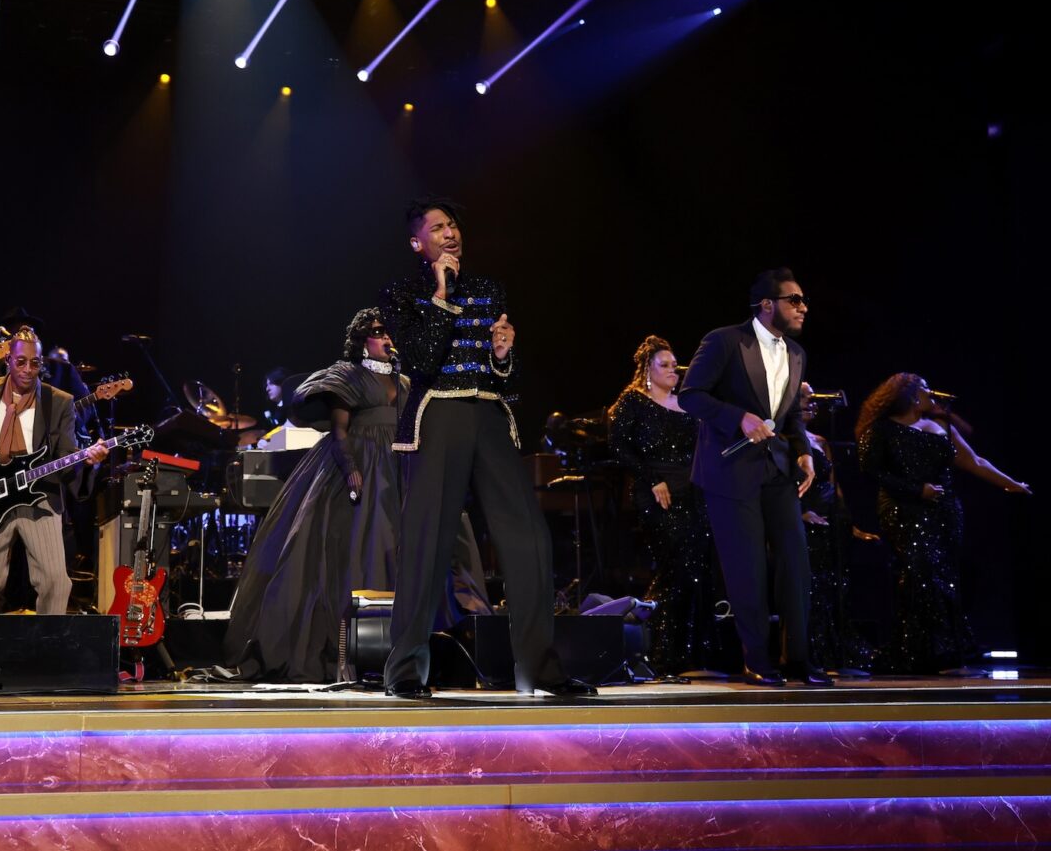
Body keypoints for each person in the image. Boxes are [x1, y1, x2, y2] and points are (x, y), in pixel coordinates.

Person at [378, 197, 584, 698]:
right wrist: (442, 293)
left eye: (453, 224)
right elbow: (424, 359)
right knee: (427, 542)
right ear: (417, 242)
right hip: (439, 416)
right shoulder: (403, 292)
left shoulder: (490, 289)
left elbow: (504, 385)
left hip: (490, 415)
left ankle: (539, 669)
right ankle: (405, 670)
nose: (450, 233)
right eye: (437, 227)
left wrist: (501, 356)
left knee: (529, 539)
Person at [224, 310, 408, 682]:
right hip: (353, 465)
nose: (385, 337)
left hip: (396, 471)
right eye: (376, 332)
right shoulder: (349, 375)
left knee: (396, 549)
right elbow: (340, 432)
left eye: (388, 331)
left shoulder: (405, 381)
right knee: (345, 552)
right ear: (361, 341)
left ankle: (396, 652)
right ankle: (339, 652)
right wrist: (352, 470)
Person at [680, 267, 825, 686]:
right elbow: (690, 395)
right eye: (793, 300)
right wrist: (737, 417)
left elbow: (791, 414)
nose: (803, 307)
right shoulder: (725, 340)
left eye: (803, 300)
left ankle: (799, 660)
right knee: (747, 569)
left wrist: (803, 453)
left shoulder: (796, 354)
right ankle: (759, 661)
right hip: (729, 468)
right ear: (767, 305)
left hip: (778, 468)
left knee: (796, 563)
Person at [856, 375, 1031, 674]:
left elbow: (975, 462)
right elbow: (871, 471)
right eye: (924, 388)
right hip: (903, 509)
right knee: (920, 573)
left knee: (945, 577)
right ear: (911, 395)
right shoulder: (881, 430)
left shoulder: (941, 427)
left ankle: (947, 650)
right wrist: (916, 489)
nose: (930, 392)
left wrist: (1011, 484)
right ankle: (922, 652)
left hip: (944, 512)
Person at [0, 328, 108, 615]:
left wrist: (87, 460)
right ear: (8, 360)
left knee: (56, 582)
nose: (28, 370)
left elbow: (67, 455)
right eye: (21, 362)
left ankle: (48, 648)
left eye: (35, 363)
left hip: (39, 493)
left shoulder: (60, 401)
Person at [607, 335, 717, 677]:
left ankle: (687, 654)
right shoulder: (633, 401)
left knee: (697, 572)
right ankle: (654, 652)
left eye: (675, 365)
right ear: (647, 370)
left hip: (694, 493)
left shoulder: (686, 405)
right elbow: (619, 447)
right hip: (658, 492)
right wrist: (651, 479)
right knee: (674, 568)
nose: (673, 370)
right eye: (665, 365)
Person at [796, 383, 878, 675]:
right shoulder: (782, 438)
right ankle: (816, 653)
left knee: (837, 588)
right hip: (806, 521)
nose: (811, 402)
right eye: (803, 397)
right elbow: (775, 482)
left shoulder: (820, 439)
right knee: (815, 589)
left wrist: (848, 521)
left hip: (832, 522)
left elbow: (835, 486)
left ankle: (838, 652)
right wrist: (800, 513)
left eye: (813, 397)